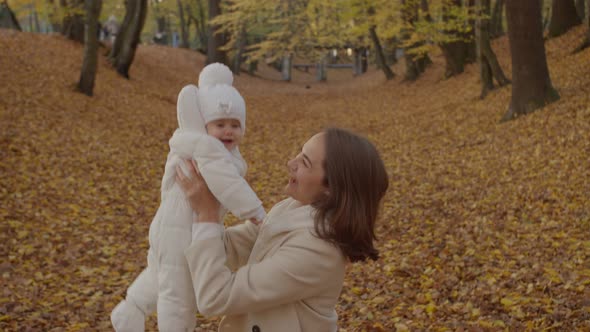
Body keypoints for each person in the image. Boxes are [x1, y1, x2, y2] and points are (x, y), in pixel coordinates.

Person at [176, 127, 389, 332]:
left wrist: (207, 216)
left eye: (304, 162)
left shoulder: (319, 250)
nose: (291, 163)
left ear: (331, 190)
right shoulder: (291, 208)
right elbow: (231, 247)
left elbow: (216, 297)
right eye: (300, 153)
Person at [111, 63, 266, 332]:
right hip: (181, 231)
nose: (228, 131)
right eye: (220, 124)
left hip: (167, 227)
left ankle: (130, 309)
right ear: (204, 124)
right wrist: (255, 212)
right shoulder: (206, 148)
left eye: (235, 125)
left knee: (162, 274)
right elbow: (228, 184)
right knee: (179, 293)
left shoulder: (200, 145)